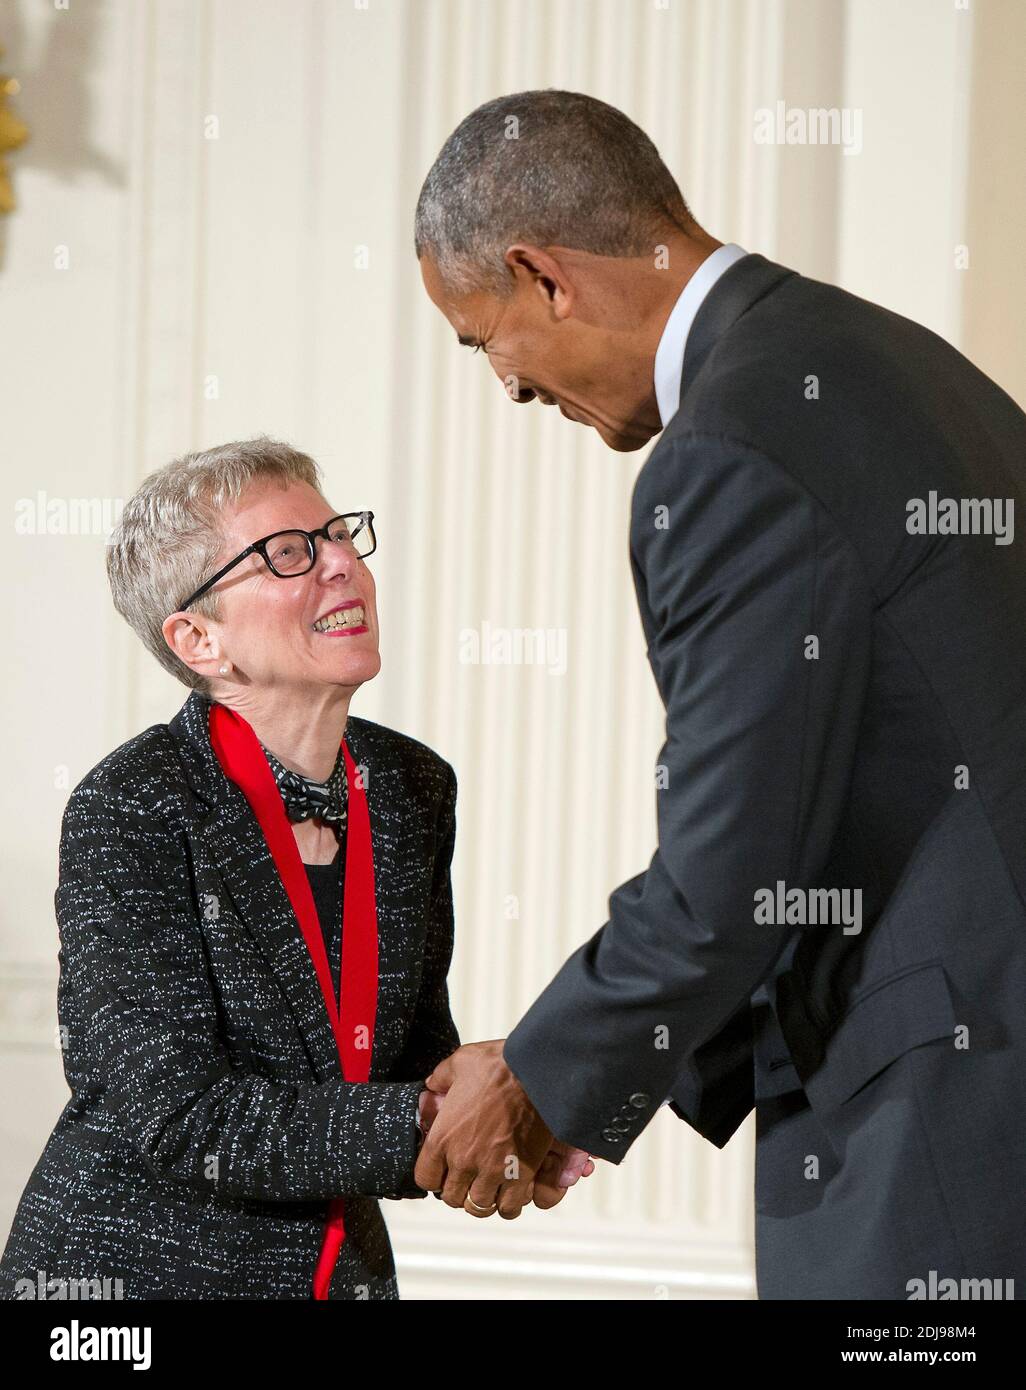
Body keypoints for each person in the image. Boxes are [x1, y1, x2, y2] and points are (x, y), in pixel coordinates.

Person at [412, 88, 1026, 1299]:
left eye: (484, 342)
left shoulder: (727, 451)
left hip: (946, 1120)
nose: (513, 390)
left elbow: (731, 871)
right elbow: (853, 804)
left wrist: (538, 1075)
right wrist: (591, 1089)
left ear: (544, 277)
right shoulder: (900, 360)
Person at [0, 436, 588, 1301]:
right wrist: (433, 1120)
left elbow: (406, 1049)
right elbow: (180, 1116)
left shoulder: (411, 785)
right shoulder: (132, 802)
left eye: (341, 533)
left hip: (338, 1272)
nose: (342, 564)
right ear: (199, 638)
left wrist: (519, 1115)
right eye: (287, 555)